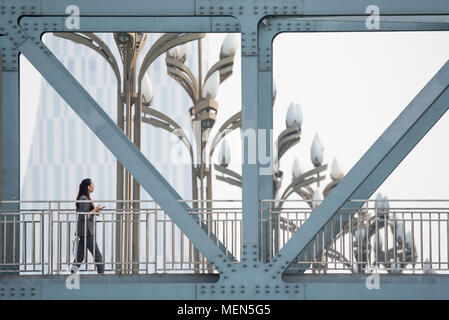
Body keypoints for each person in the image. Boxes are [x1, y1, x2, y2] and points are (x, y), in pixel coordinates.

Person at [71, 178, 106, 275]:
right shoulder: (83, 198)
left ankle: (72, 274)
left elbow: (87, 214)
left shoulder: (85, 198)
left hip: (84, 231)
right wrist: (95, 210)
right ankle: (102, 275)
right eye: (92, 184)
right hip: (87, 232)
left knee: (80, 256)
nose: (93, 186)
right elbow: (83, 215)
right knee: (97, 254)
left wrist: (96, 211)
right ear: (88, 186)